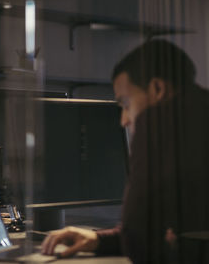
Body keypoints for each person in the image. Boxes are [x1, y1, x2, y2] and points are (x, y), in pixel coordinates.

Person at [41, 39, 209, 263]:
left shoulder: (162, 125)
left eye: (126, 104)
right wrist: (98, 239)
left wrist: (148, 128)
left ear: (158, 89)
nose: (124, 120)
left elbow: (140, 243)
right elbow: (168, 230)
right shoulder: (198, 115)